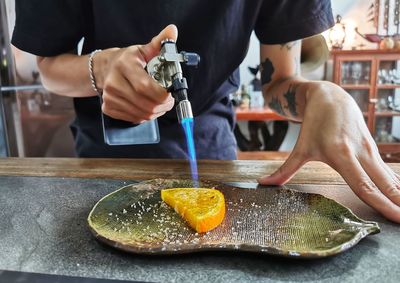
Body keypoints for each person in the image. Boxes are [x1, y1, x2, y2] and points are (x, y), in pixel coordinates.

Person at [12, 0, 400, 223]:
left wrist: (324, 97)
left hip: (209, 141)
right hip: (107, 148)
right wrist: (99, 68)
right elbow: (48, 68)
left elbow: (279, 81)